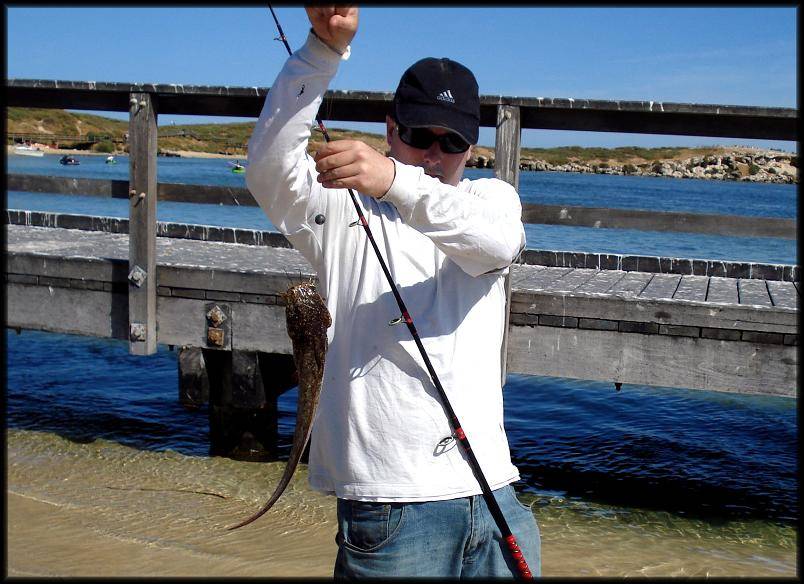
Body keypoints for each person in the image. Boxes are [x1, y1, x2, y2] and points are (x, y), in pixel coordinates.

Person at [246, 6, 540, 578]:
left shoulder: (491, 201)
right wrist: (320, 51)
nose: (433, 154)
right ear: (390, 130)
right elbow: (268, 167)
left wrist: (393, 179)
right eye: (418, 135)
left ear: (473, 148)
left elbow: (498, 243)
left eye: (451, 141)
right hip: (389, 508)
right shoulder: (339, 207)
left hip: (495, 495)